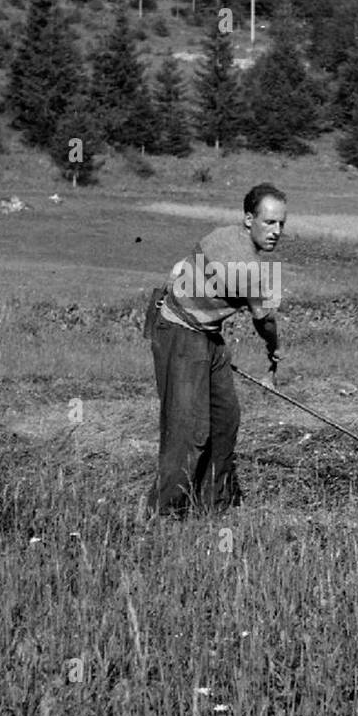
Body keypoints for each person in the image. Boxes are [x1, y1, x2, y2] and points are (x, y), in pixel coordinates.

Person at [144, 183, 286, 515]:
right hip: (180, 334)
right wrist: (274, 350)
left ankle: (214, 505)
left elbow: (179, 267)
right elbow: (265, 322)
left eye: (281, 224)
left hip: (207, 336)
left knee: (225, 420)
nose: (276, 231)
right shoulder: (248, 266)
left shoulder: (221, 235)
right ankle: (163, 515)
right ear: (249, 219)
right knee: (188, 430)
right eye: (269, 222)